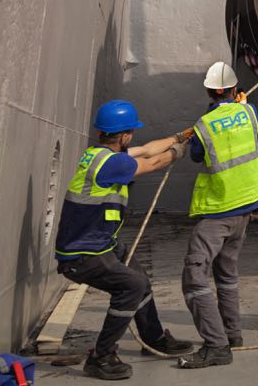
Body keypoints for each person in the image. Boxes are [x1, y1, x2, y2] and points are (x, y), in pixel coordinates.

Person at [54, 100, 194, 380]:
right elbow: (153, 160)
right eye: (132, 132)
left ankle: (153, 338)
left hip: (99, 244)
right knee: (133, 285)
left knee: (138, 274)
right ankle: (101, 356)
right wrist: (177, 153)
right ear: (125, 134)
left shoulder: (100, 155)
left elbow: (146, 149)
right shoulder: (113, 165)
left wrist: (180, 137)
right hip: (82, 255)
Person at [177, 61, 258, 369]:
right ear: (234, 90)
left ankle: (216, 345)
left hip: (219, 210)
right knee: (226, 273)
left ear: (208, 91)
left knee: (195, 276)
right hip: (247, 207)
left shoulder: (204, 125)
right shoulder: (248, 113)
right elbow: (248, 120)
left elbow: (197, 156)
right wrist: (241, 103)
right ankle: (232, 333)